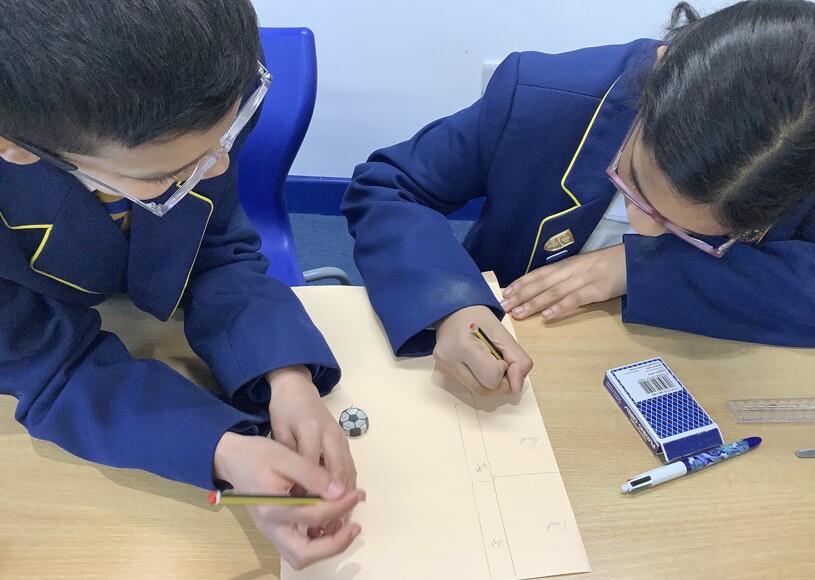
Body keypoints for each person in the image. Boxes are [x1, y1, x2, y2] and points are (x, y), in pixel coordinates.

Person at [0, 0, 362, 569]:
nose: (217, 170)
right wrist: (221, 448)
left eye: (227, 137)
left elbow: (215, 244)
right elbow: (47, 367)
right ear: (15, 146)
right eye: (169, 174)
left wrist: (284, 373)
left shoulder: (210, 64)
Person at [343, 0, 815, 398]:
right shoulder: (542, 98)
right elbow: (388, 186)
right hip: (518, 349)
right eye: (635, 187)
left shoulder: (798, 155)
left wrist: (640, 266)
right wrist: (450, 304)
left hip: (699, 369)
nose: (645, 229)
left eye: (689, 232)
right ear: (654, 78)